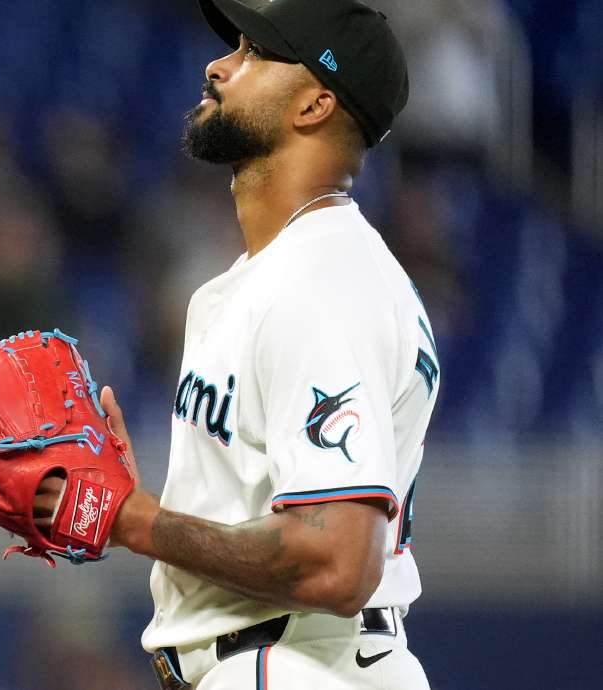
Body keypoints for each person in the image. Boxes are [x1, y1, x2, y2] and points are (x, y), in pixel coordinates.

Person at [34, 1, 438, 687]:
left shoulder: (323, 281)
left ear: (314, 105)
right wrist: (148, 508)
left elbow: (337, 560)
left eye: (256, 52)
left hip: (300, 665)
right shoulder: (264, 280)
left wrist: (139, 522)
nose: (219, 66)